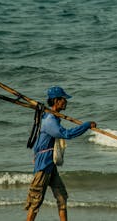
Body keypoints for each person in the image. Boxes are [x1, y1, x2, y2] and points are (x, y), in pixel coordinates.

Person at [25, 86, 96, 221]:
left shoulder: (51, 117)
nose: (66, 102)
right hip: (43, 166)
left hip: (51, 165)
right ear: (56, 101)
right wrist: (86, 125)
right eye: (63, 99)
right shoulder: (49, 121)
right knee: (36, 201)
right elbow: (66, 134)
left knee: (61, 197)